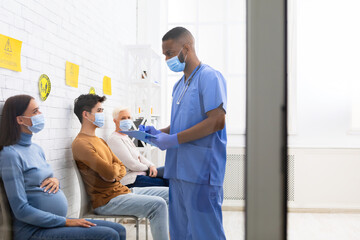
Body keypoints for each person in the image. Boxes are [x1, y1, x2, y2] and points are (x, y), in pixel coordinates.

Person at [0, 95, 126, 240]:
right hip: (34, 231)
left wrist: (55, 181)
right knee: (108, 235)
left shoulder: (36, 149)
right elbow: (20, 210)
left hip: (54, 224)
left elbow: (45, 179)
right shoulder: (10, 155)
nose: (40, 115)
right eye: (35, 112)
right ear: (20, 119)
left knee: (119, 229)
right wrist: (67, 221)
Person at [142, 27, 227, 240]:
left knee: (206, 233)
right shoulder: (178, 86)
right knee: (180, 233)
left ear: (186, 48)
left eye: (169, 53)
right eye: (164, 55)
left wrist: (173, 139)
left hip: (201, 172)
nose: (167, 59)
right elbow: (180, 125)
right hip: (177, 172)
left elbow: (217, 120)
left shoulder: (209, 77)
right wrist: (156, 134)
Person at [71, 94, 169, 240]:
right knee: (158, 204)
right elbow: (111, 172)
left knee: (170, 193)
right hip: (107, 201)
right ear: (86, 114)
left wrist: (113, 171)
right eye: (99, 110)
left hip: (122, 191)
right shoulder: (81, 144)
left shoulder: (100, 141)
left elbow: (120, 167)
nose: (102, 114)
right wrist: (113, 171)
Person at [107, 106, 169, 188]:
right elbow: (131, 164)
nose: (127, 120)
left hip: (141, 172)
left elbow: (140, 156)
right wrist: (147, 168)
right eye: (123, 118)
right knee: (165, 182)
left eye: (129, 118)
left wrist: (151, 165)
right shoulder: (114, 139)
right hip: (131, 179)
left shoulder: (125, 136)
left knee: (169, 171)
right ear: (115, 121)